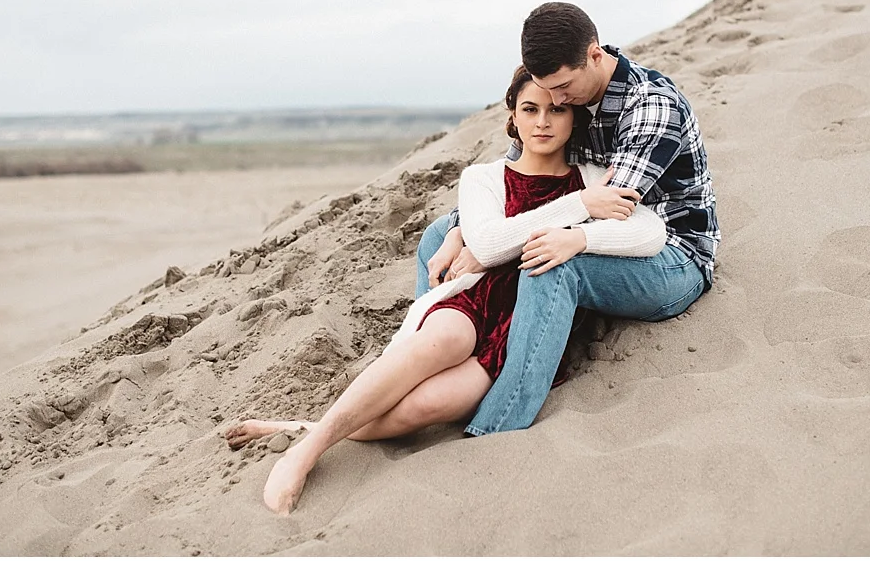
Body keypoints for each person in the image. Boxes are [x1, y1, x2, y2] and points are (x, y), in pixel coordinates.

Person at [224, 65, 673, 515]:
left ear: (574, 118)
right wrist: (578, 208)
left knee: (424, 408)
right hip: (474, 300)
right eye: (530, 110)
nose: (543, 122)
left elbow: (650, 232)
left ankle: (300, 426)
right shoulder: (484, 177)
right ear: (512, 119)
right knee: (443, 339)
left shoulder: (594, 177)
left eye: (557, 110)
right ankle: (303, 454)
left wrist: (583, 233)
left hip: (526, 326)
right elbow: (488, 242)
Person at [419, 1, 719, 438]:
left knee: (552, 264)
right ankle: (425, 361)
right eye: (544, 91)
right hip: (591, 230)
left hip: (670, 254)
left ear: (594, 55)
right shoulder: (571, 98)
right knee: (436, 237)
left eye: (561, 89)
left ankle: (495, 427)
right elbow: (517, 184)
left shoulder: (651, 107)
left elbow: (617, 213)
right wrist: (462, 231)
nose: (555, 102)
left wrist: (542, 243)